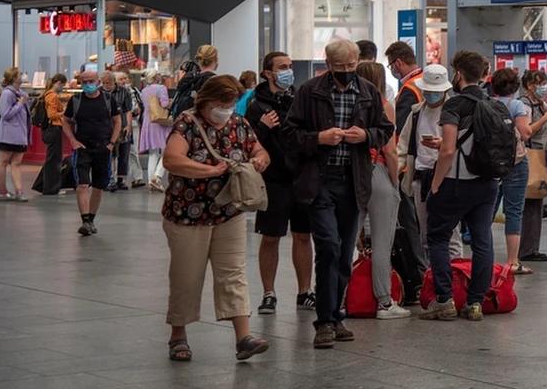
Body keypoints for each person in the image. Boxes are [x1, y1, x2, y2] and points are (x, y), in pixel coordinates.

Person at [285, 38, 389, 348]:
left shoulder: (368, 92)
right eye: (339, 67)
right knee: (328, 246)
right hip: (320, 182)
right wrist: (319, 137)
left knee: (345, 254)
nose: (346, 72)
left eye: (351, 66)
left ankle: (335, 314)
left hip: (353, 181)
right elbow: (289, 135)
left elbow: (385, 130)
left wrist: (366, 135)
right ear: (328, 65)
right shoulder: (310, 91)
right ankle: (325, 321)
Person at [161, 75, 271, 362]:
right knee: (187, 276)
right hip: (187, 215)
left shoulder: (239, 123)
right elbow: (171, 160)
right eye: (221, 103)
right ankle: (178, 335)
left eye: (231, 103)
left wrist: (260, 158)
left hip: (228, 213)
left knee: (233, 273)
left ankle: (243, 337)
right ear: (206, 101)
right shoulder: (186, 123)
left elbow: (258, 149)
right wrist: (208, 171)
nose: (225, 108)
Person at [422, 50, 501, 321]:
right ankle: (475, 302)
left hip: (457, 183)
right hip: (488, 183)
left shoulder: (454, 105)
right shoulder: (493, 104)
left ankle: (444, 300)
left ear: (457, 75)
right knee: (482, 240)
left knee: (437, 237)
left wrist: (435, 184)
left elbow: (447, 151)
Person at [246, 51, 315, 315]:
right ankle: (268, 292)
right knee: (271, 237)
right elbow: (248, 144)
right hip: (274, 182)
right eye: (282, 67)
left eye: (289, 66)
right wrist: (262, 127)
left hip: (301, 178)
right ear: (267, 73)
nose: (288, 71)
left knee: (303, 235)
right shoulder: (256, 106)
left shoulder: (299, 100)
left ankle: (304, 290)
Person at [356, 61, 409, 320]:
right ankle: (385, 302)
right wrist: (394, 181)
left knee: (345, 241)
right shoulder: (383, 106)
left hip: (351, 174)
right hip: (377, 171)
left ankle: (337, 299)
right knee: (381, 241)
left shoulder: (347, 105)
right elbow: (389, 150)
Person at [397, 64, 460, 257]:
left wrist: (444, 144)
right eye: (428, 90)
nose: (431, 94)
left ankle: (454, 277)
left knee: (451, 235)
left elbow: (460, 146)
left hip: (448, 178)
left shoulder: (455, 111)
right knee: (425, 234)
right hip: (420, 179)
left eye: (436, 91)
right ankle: (432, 278)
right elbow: (403, 146)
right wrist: (395, 173)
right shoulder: (416, 112)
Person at [384, 39, 431, 271]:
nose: (391, 70)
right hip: (430, 160)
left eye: (391, 65)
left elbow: (400, 132)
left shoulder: (409, 90)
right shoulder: (428, 83)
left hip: (409, 165)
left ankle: (419, 270)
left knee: (410, 223)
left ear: (398, 63)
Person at [62, 68, 124, 234]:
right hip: (82, 149)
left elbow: (117, 121)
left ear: (98, 82)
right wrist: (73, 141)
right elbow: (65, 121)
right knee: (82, 185)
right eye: (85, 82)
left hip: (103, 148)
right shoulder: (75, 101)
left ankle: (91, 219)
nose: (88, 85)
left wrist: (112, 143)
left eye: (91, 81)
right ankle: (85, 220)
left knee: (98, 186)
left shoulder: (108, 99)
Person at [491, 68, 534, 275]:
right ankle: (512, 261)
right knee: (514, 211)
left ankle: (484, 256)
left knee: (487, 211)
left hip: (491, 164)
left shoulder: (488, 104)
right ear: (516, 86)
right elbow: (525, 133)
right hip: (515, 162)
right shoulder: (516, 104)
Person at [518, 69, 547, 263]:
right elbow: (526, 131)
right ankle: (527, 248)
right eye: (540, 83)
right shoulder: (524, 105)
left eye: (545, 83)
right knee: (530, 203)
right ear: (529, 85)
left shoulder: (541, 103)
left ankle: (532, 246)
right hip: (530, 155)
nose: (544, 87)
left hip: (541, 155)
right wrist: (544, 118)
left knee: (537, 202)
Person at [0, 68, 31, 201]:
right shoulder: (7, 94)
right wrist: (20, 104)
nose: (23, 76)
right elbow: (6, 114)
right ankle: (3, 192)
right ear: (14, 77)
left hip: (20, 135)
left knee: (16, 163)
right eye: (20, 74)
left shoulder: (20, 93)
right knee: (3, 162)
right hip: (8, 134)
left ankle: (19, 191)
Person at [102, 71, 136, 192]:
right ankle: (109, 178)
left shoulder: (123, 92)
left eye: (109, 83)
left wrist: (128, 125)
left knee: (123, 153)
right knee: (109, 154)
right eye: (104, 83)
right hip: (106, 128)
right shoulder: (100, 92)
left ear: (114, 82)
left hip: (122, 126)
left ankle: (120, 180)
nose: (106, 85)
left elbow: (128, 110)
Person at [36, 74, 69, 195]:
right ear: (59, 83)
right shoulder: (53, 96)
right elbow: (52, 114)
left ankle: (45, 185)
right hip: (54, 128)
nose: (63, 87)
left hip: (48, 129)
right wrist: (63, 112)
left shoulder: (46, 94)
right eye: (63, 85)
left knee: (51, 159)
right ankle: (52, 187)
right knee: (54, 160)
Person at [140, 70, 172, 192]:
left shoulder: (144, 91)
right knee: (166, 152)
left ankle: (150, 181)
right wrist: (170, 103)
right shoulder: (161, 88)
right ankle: (157, 177)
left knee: (153, 154)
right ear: (154, 76)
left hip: (149, 122)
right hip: (161, 123)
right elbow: (164, 104)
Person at [172, 45, 219, 118]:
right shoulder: (215, 81)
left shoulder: (190, 78)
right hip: (204, 123)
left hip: (187, 122)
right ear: (216, 59)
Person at [118, 71, 146, 187]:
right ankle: (118, 177)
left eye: (125, 78)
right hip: (119, 124)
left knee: (133, 151)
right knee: (118, 153)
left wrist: (139, 110)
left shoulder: (134, 91)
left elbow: (140, 104)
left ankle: (137, 177)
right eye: (121, 79)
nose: (124, 81)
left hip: (133, 123)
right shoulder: (115, 93)